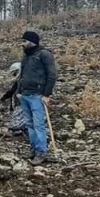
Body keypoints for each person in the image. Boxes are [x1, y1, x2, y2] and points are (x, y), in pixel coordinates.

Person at [18, 30, 58, 165]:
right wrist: (18, 91)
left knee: (38, 125)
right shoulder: (26, 56)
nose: (22, 44)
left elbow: (52, 75)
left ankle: (41, 152)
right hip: (25, 95)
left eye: (24, 41)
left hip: (37, 95)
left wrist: (47, 94)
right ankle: (34, 149)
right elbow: (21, 75)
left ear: (31, 41)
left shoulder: (44, 54)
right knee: (29, 124)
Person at [0, 62, 27, 134]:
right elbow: (12, 90)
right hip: (21, 103)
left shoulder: (23, 80)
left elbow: (12, 90)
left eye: (15, 73)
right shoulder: (20, 80)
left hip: (23, 103)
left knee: (16, 124)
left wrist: (4, 97)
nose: (14, 75)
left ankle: (24, 129)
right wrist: (4, 97)